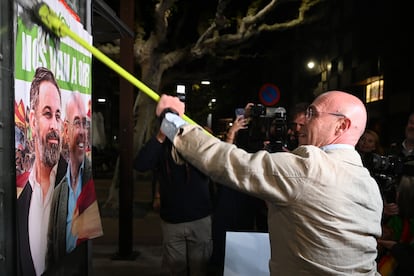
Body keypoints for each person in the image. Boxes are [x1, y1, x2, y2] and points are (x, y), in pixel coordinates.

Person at [154, 90, 383, 275]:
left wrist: (172, 120)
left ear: (341, 125)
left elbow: (227, 162)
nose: (303, 123)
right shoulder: (368, 183)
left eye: (312, 114)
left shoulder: (308, 168)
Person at [133, 122, 213, 276]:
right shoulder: (164, 149)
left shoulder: (199, 150)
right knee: (176, 270)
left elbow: (221, 159)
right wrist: (160, 136)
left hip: (199, 220)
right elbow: (140, 164)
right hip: (172, 221)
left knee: (200, 268)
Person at [45, 92, 103, 274]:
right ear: (66, 130)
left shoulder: (89, 178)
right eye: (77, 123)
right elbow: (51, 249)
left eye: (86, 124)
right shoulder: (59, 192)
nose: (83, 131)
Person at [16, 67, 63, 276]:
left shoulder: (72, 184)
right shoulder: (19, 195)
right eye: (47, 114)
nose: (54, 125)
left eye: (58, 116)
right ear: (33, 120)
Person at [377, 173, 414, 276]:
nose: (396, 193)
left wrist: (390, 244)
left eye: (398, 190)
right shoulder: (395, 215)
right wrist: (382, 213)